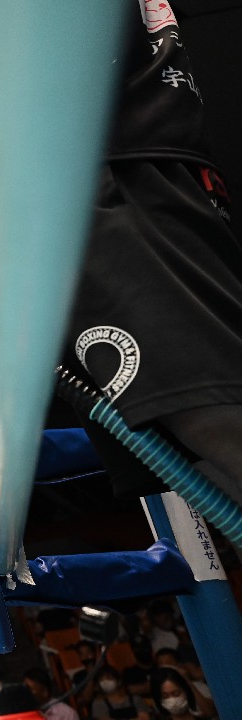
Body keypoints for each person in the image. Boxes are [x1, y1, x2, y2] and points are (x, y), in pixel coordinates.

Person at [56, 0, 242, 515]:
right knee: (196, 449)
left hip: (122, 190)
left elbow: (49, 56)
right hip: (134, 182)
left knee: (209, 416)